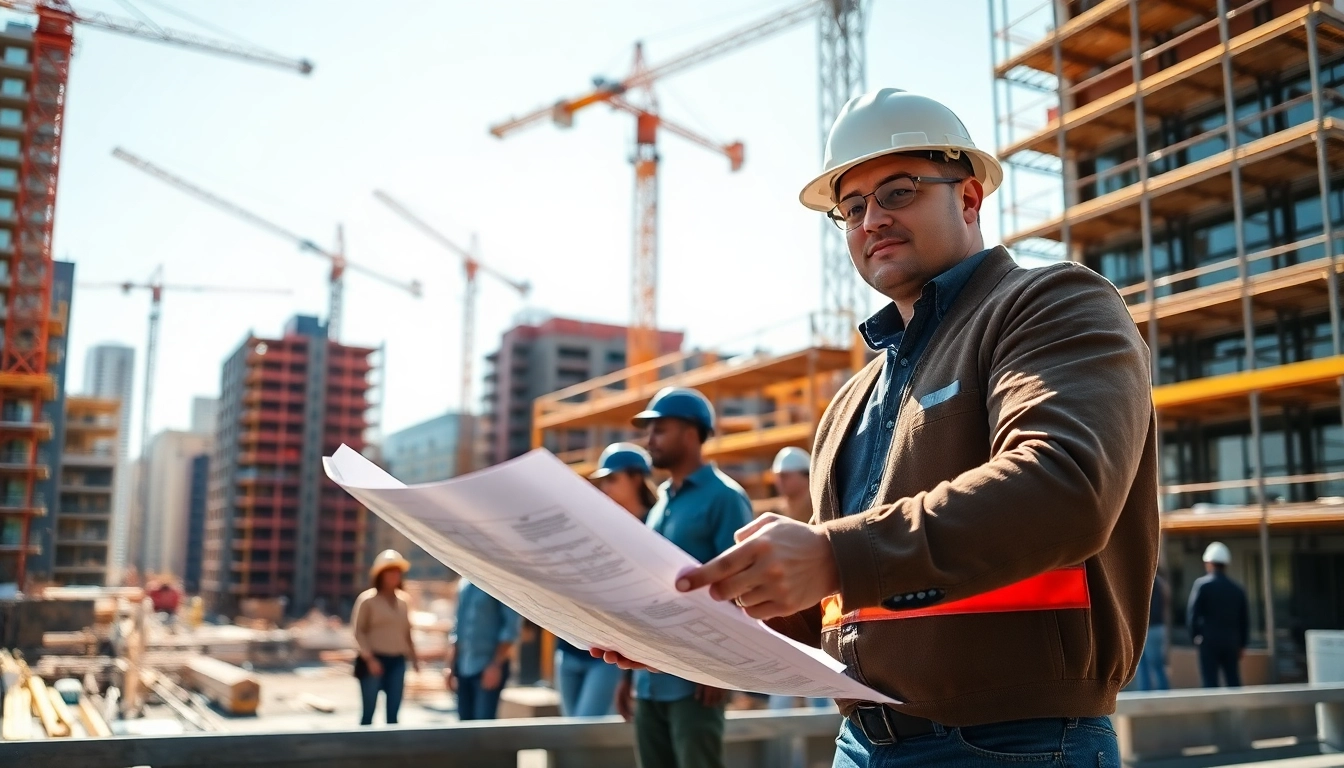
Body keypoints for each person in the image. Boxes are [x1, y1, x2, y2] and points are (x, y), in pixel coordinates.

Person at [597, 89, 1158, 768]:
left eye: (898, 192)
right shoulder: (852, 401)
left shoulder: (1050, 304)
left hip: (1018, 741)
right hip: (861, 741)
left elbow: (1065, 487)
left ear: (970, 198)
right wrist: (689, 631)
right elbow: (841, 606)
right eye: (852, 207)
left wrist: (834, 554)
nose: (872, 220)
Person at [610, 387, 753, 768]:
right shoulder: (660, 506)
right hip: (650, 679)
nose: (649, 440)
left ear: (691, 433)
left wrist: (721, 669)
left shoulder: (725, 498)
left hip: (698, 680)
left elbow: (740, 588)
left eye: (660, 430)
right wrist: (628, 677)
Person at [554, 443, 658, 717]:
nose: (605, 488)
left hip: (612, 653)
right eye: (602, 481)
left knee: (586, 731)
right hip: (570, 647)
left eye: (612, 479)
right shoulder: (595, 524)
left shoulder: (656, 527)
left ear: (636, 478)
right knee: (570, 734)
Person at [352, 549, 419, 726]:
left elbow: (407, 632)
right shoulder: (368, 600)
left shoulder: (404, 601)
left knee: (393, 716)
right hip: (374, 662)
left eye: (397, 572)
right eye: (390, 571)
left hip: (397, 662)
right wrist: (370, 660)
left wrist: (415, 659)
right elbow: (359, 632)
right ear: (380, 574)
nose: (395, 575)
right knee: (368, 714)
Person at [448, 577, 522, 720]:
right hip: (463, 666)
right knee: (464, 723)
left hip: (488, 667)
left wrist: (495, 665)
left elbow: (510, 628)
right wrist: (451, 667)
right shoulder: (464, 585)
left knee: (484, 724)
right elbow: (458, 628)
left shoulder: (499, 583)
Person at [1187, 542, 1249, 688]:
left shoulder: (1202, 585)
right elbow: (1244, 619)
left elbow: (1192, 615)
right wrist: (1242, 644)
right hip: (1231, 642)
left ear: (1208, 563)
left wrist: (1195, 637)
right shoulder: (1237, 589)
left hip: (1208, 641)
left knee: (1210, 683)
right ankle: (1236, 704)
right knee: (1233, 680)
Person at [1135, 572, 1170, 691]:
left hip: (1149, 628)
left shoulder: (1143, 580)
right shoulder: (1160, 582)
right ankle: (1161, 694)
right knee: (1151, 665)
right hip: (1156, 627)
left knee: (1147, 666)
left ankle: (1150, 694)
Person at [770, 446, 813, 524]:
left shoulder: (820, 510)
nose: (779, 481)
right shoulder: (777, 513)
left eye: (784, 476)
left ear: (806, 477)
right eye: (777, 476)